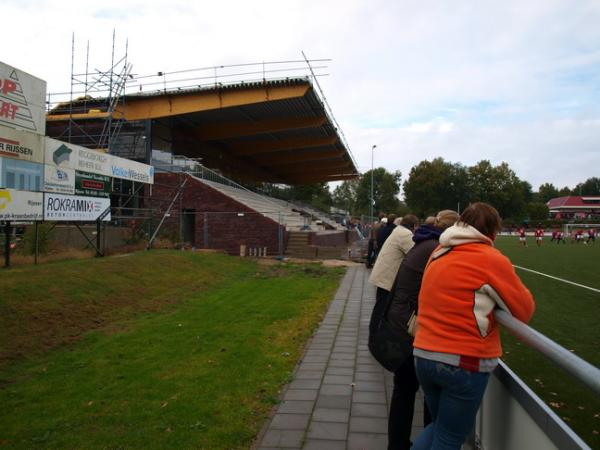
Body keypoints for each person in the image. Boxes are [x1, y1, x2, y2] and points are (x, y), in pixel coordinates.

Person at [412, 203, 535, 450]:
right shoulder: (489, 258)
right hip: (463, 361)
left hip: (423, 353)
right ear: (492, 232)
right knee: (449, 436)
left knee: (439, 427)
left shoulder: (438, 252)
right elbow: (524, 310)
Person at [385, 210, 459, 450]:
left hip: (401, 321)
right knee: (427, 395)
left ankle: (397, 445)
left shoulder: (425, 243)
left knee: (404, 391)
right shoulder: (437, 249)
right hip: (412, 327)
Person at [368, 215, 419, 337]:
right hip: (387, 276)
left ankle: (375, 331)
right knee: (382, 306)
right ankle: (375, 333)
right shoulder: (405, 235)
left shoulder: (399, 230)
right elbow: (414, 252)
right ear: (413, 226)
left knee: (381, 304)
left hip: (384, 273)